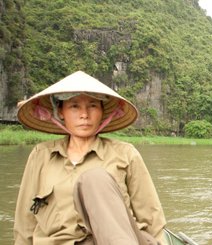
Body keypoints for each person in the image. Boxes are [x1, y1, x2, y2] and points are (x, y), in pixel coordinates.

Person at [14, 71, 167, 245]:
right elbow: (24, 225)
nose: (84, 114)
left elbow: (152, 220)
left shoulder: (125, 154)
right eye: (74, 106)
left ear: (102, 111)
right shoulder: (41, 156)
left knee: (95, 178)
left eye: (92, 106)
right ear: (61, 111)